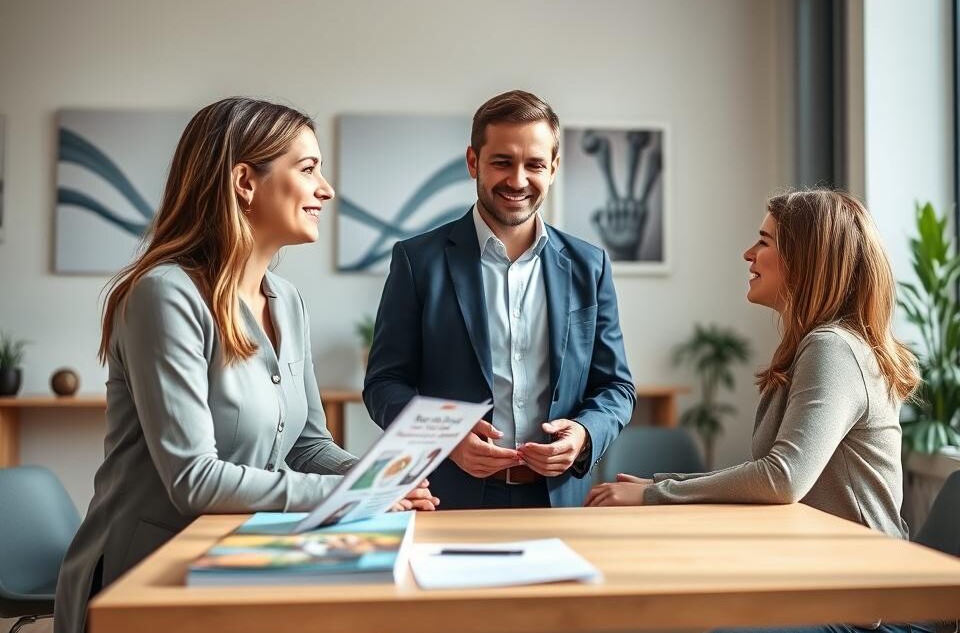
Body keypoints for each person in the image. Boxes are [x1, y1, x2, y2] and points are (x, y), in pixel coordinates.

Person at [55, 98, 437, 633]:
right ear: (244, 182)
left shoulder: (287, 299)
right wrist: (357, 497)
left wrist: (376, 477)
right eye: (308, 169)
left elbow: (306, 445)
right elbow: (194, 480)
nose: (326, 190)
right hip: (147, 579)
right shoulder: (165, 295)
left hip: (247, 556)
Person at [586, 189, 916, 544]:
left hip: (868, 571)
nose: (748, 254)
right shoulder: (826, 345)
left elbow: (783, 477)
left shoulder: (833, 348)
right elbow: (774, 475)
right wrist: (662, 485)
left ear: (804, 260)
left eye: (764, 241)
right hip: (830, 557)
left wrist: (656, 493)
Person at [363, 89, 635, 510]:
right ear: (474, 162)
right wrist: (444, 440)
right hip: (449, 498)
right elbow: (383, 384)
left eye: (534, 165)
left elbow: (616, 386)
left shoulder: (590, 265)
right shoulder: (417, 261)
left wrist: (583, 435)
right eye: (503, 162)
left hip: (559, 500)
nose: (518, 180)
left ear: (555, 167)